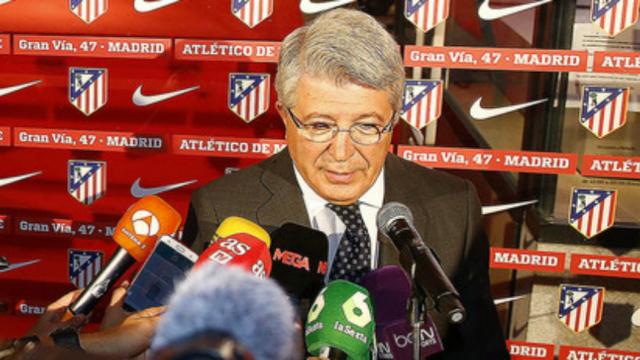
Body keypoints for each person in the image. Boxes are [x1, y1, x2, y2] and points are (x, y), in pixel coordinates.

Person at [182, 8, 509, 359]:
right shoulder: (221, 210)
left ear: (394, 120)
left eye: (367, 126)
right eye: (320, 125)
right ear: (284, 116)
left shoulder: (454, 207)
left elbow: (480, 349)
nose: (341, 152)